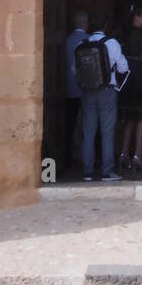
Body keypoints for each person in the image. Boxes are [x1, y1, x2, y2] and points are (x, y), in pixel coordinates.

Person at [78, 22, 128, 183]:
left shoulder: (81, 44)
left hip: (87, 91)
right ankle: (107, 172)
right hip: (107, 90)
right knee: (107, 132)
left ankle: (87, 172)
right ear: (106, 26)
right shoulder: (111, 43)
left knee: (88, 133)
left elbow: (75, 70)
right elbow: (123, 67)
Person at [119, 3, 142, 172]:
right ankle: (137, 156)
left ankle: (123, 154)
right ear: (136, 17)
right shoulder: (140, 35)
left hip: (126, 78)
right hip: (138, 77)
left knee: (129, 118)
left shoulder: (123, 33)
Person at [62, 10, 88, 171]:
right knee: (86, 125)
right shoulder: (89, 40)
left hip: (68, 88)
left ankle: (68, 155)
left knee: (70, 124)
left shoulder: (65, 41)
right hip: (85, 90)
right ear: (86, 24)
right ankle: (83, 157)